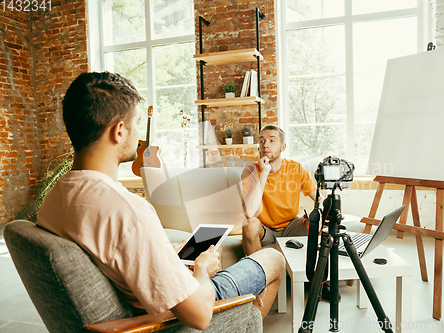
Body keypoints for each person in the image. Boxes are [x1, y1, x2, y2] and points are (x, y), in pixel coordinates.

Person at [36, 72, 284, 330]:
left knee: (190, 249)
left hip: (143, 297)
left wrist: (165, 253)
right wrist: (202, 269)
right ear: (119, 131)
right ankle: (240, 324)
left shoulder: (55, 197)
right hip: (173, 316)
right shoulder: (129, 210)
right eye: (136, 123)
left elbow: (116, 250)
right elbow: (198, 315)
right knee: (272, 259)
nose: (138, 136)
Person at [241, 125, 321, 256]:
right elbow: (249, 212)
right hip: (265, 229)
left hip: (292, 225)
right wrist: (264, 173)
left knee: (317, 220)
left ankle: (314, 274)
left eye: (272, 140)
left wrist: (317, 212)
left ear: (283, 147)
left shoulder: (295, 168)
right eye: (262, 141)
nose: (266, 145)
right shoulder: (250, 171)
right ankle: (259, 273)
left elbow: (320, 199)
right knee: (248, 224)